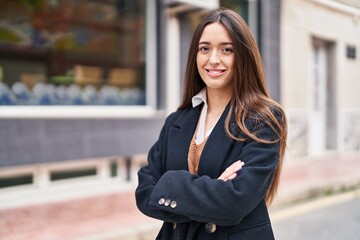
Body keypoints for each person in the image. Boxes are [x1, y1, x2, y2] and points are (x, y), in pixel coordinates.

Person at [135, 8, 287, 240]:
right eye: (204, 48)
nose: (213, 59)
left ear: (243, 56)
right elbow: (144, 192)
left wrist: (169, 185)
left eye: (226, 50)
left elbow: (235, 202)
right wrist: (213, 190)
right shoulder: (177, 120)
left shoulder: (262, 119)